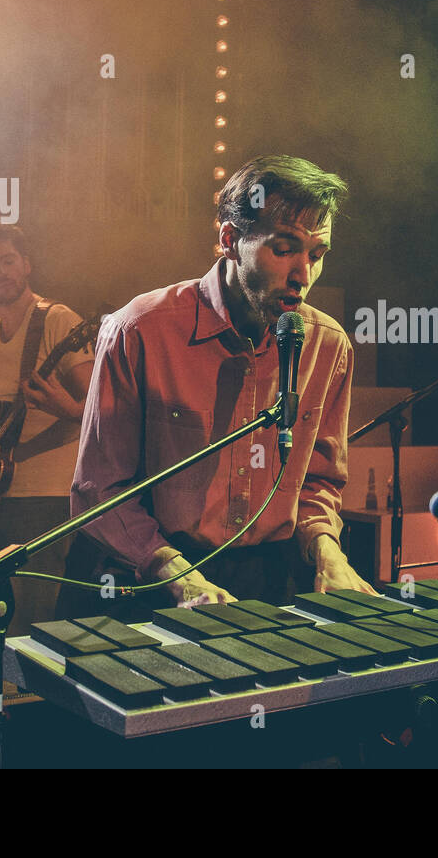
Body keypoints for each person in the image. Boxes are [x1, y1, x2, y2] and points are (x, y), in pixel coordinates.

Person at [65, 155, 372, 615]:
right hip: (143, 576)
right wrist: (177, 576)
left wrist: (328, 551)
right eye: (284, 249)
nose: (303, 276)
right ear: (230, 240)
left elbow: (318, 484)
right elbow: (99, 491)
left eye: (317, 254)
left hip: (265, 579)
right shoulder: (139, 330)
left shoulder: (328, 346)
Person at [0, 221, 95, 637]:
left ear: (26, 264)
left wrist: (66, 408)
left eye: (8, 260)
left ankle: (29, 699)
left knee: (33, 619)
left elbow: (103, 408)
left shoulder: (57, 320)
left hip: (49, 498)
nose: (0, 271)